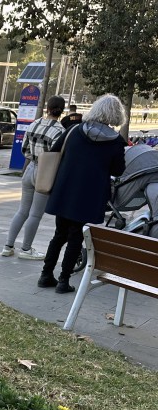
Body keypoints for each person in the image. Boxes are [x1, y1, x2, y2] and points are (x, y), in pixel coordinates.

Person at [38, 94, 127, 294]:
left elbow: (54, 151)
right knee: (76, 235)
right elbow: (118, 170)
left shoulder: (74, 131)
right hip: (90, 195)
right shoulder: (116, 142)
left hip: (65, 189)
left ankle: (45, 275)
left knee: (59, 234)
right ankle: (63, 280)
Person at [1, 95, 66, 260]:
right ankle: (26, 248)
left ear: (47, 109)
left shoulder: (34, 124)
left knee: (22, 210)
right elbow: (59, 156)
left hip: (30, 167)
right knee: (35, 214)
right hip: (45, 173)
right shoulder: (60, 131)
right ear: (62, 111)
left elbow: (25, 150)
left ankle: (8, 246)